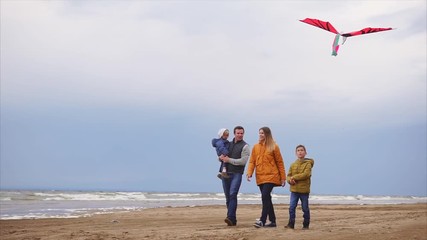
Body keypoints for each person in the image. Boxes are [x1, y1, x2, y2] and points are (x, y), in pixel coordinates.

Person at [246, 127, 286, 228]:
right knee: (267, 198)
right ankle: (273, 221)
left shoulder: (274, 146)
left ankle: (262, 220)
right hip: (260, 177)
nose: (260, 135)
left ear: (267, 134)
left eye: (262, 133)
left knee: (264, 196)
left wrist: (283, 178)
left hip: (271, 176)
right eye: (259, 133)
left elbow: (280, 162)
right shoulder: (255, 147)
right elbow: (252, 161)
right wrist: (249, 172)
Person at [219, 126, 250, 226]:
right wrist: (220, 158)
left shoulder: (245, 146)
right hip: (225, 173)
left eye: (242, 133)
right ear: (234, 134)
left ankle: (230, 217)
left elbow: (243, 161)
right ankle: (232, 220)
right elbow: (222, 156)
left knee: (233, 194)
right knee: (228, 197)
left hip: (237, 173)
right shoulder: (228, 144)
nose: (240, 135)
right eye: (238, 133)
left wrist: (229, 160)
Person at [285, 144, 314, 230]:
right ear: (296, 153)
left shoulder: (308, 164)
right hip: (294, 190)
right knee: (291, 207)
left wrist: (294, 177)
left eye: (302, 150)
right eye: (298, 150)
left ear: (305, 152)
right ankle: (291, 224)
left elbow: (306, 174)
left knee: (305, 208)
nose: (300, 152)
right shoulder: (293, 164)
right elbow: (288, 175)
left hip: (304, 191)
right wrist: (290, 180)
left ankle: (306, 224)